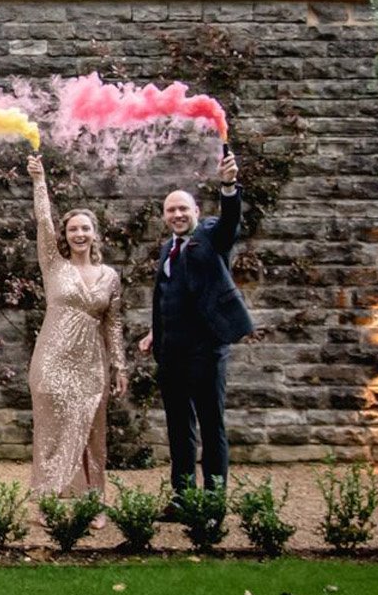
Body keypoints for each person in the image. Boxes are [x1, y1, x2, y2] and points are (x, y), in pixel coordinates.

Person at [137, 149, 254, 494]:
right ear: (164, 216)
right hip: (171, 355)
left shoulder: (210, 235)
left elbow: (231, 222)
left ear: (196, 212)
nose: (177, 214)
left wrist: (229, 186)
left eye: (183, 208)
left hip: (206, 354)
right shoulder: (166, 249)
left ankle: (213, 500)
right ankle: (183, 496)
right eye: (171, 210)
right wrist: (153, 332)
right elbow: (167, 298)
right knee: (178, 429)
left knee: (211, 426)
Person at [25, 155, 125, 498]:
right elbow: (43, 223)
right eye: (73, 229)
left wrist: (120, 366)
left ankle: (92, 500)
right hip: (52, 361)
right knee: (51, 433)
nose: (79, 233)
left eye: (85, 228)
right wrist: (39, 181)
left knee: (92, 433)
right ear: (65, 236)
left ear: (94, 235)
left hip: (91, 365)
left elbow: (113, 324)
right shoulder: (54, 265)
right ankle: (48, 498)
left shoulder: (110, 277)